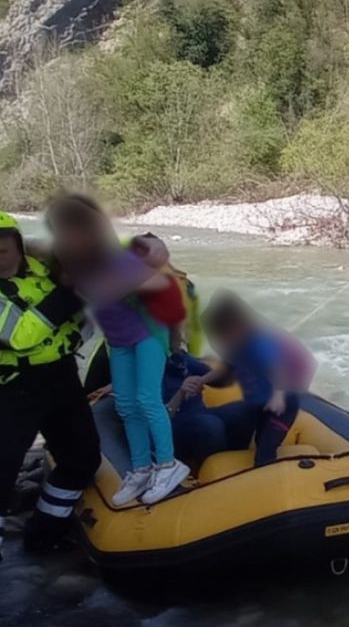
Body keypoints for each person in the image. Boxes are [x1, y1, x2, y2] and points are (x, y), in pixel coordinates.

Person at [46, 195, 188, 506]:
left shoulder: (117, 258)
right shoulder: (69, 262)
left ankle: (168, 464)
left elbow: (158, 286)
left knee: (147, 398)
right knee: (125, 404)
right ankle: (140, 468)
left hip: (148, 333)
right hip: (119, 340)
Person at [0, 212, 100, 559]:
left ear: (16, 244)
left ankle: (45, 535)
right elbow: (18, 335)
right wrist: (72, 294)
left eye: (4, 244)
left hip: (61, 378)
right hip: (13, 387)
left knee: (81, 458)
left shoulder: (41, 267)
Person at [188, 291, 302, 466]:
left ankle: (266, 470)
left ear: (238, 327)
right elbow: (225, 369)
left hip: (282, 405)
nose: (221, 342)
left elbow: (278, 368)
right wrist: (202, 380)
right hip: (257, 404)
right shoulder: (236, 348)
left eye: (223, 335)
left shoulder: (259, 343)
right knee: (240, 439)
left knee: (265, 450)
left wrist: (278, 396)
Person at [92, 350, 228, 476]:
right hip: (174, 428)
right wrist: (181, 393)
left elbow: (217, 374)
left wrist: (201, 380)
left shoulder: (179, 358)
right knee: (210, 425)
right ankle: (199, 472)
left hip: (197, 414)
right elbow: (159, 418)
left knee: (239, 412)